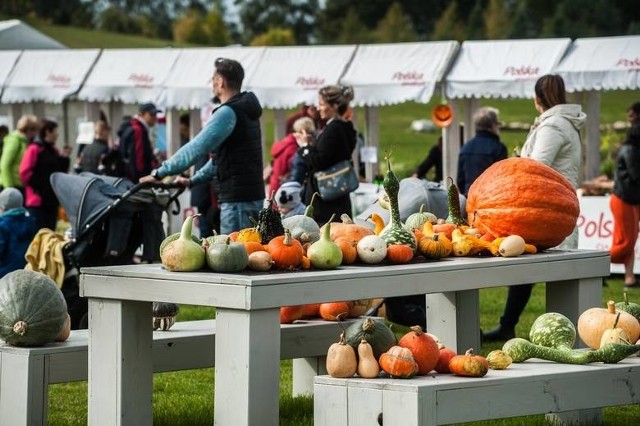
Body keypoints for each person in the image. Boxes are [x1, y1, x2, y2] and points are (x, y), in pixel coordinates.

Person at [483, 74, 586, 342]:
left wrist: (516, 164)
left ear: (538, 98)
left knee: (559, 278)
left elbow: (535, 169)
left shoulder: (553, 127)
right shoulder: (564, 124)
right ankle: (510, 324)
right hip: (553, 204)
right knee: (525, 267)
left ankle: (564, 333)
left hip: (548, 208)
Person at [140, 58, 264, 235]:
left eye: (213, 80)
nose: (212, 84)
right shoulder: (247, 110)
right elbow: (221, 161)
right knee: (252, 256)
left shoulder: (227, 113)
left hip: (237, 203)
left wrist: (159, 173)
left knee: (235, 260)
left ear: (220, 81)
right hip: (251, 197)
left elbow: (196, 148)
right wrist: (192, 180)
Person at [296, 85, 357, 224]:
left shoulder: (333, 129)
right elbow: (332, 155)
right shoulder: (346, 126)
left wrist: (305, 146)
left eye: (322, 104)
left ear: (334, 106)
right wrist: (314, 145)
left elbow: (319, 161)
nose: (318, 108)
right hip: (339, 194)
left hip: (325, 201)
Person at [19, 119, 71, 231]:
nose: (57, 135)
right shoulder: (34, 149)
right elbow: (24, 172)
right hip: (37, 200)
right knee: (38, 233)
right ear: (47, 132)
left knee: (50, 232)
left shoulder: (53, 151)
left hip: (51, 199)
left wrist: (65, 158)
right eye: (55, 131)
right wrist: (39, 186)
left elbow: (60, 172)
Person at [610, 123, 640, 287]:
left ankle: (630, 278)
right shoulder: (630, 151)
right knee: (626, 243)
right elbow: (637, 175)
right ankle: (595, 265)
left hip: (630, 199)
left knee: (629, 240)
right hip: (624, 200)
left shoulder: (631, 149)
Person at [456, 107, 507, 196]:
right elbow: (502, 178)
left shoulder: (466, 148)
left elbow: (460, 180)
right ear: (492, 126)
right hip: (491, 196)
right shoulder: (499, 148)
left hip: (470, 196)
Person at [269, 116, 316, 195]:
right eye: (310, 133)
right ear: (303, 132)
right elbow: (297, 171)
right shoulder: (294, 149)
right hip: (284, 192)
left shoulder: (285, 142)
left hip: (276, 187)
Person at [0, 187, 37, 278]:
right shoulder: (31, 221)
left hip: (4, 274)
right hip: (27, 269)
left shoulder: (3, 226)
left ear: (3, 207)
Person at [119, 103, 160, 182]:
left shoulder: (137, 127)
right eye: (151, 114)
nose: (155, 117)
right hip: (138, 178)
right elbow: (138, 158)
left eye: (155, 114)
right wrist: (141, 178)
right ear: (141, 114)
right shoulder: (138, 129)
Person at [0, 114, 39, 192]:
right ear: (28, 129)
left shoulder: (25, 142)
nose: (36, 133)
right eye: (35, 129)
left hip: (19, 184)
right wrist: (9, 187)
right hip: (11, 185)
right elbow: (5, 165)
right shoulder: (14, 140)